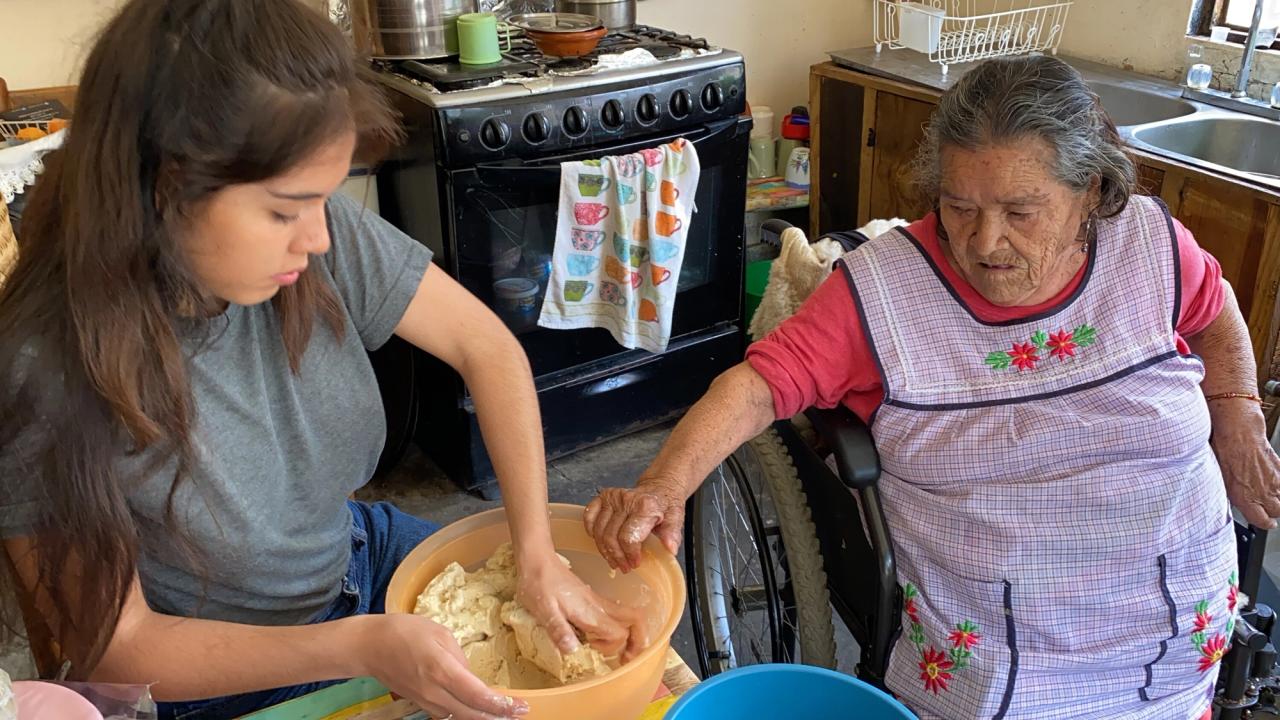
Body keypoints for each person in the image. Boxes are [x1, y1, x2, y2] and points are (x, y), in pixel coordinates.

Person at [586, 55, 1280, 719]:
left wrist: (1238, 412)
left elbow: (1214, 310)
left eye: (1020, 211)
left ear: (1090, 193)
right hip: (1006, 666)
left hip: (1175, 626)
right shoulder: (884, 290)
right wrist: (663, 485)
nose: (984, 241)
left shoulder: (1148, 241)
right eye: (959, 206)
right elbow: (758, 386)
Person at [0, 2, 640, 719]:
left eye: (323, 199)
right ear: (162, 189)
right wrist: (360, 647)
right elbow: (120, 649)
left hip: (359, 557)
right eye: (284, 211)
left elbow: (486, 348)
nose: (319, 239)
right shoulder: (42, 371)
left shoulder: (314, 233)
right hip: (225, 670)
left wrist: (536, 553)